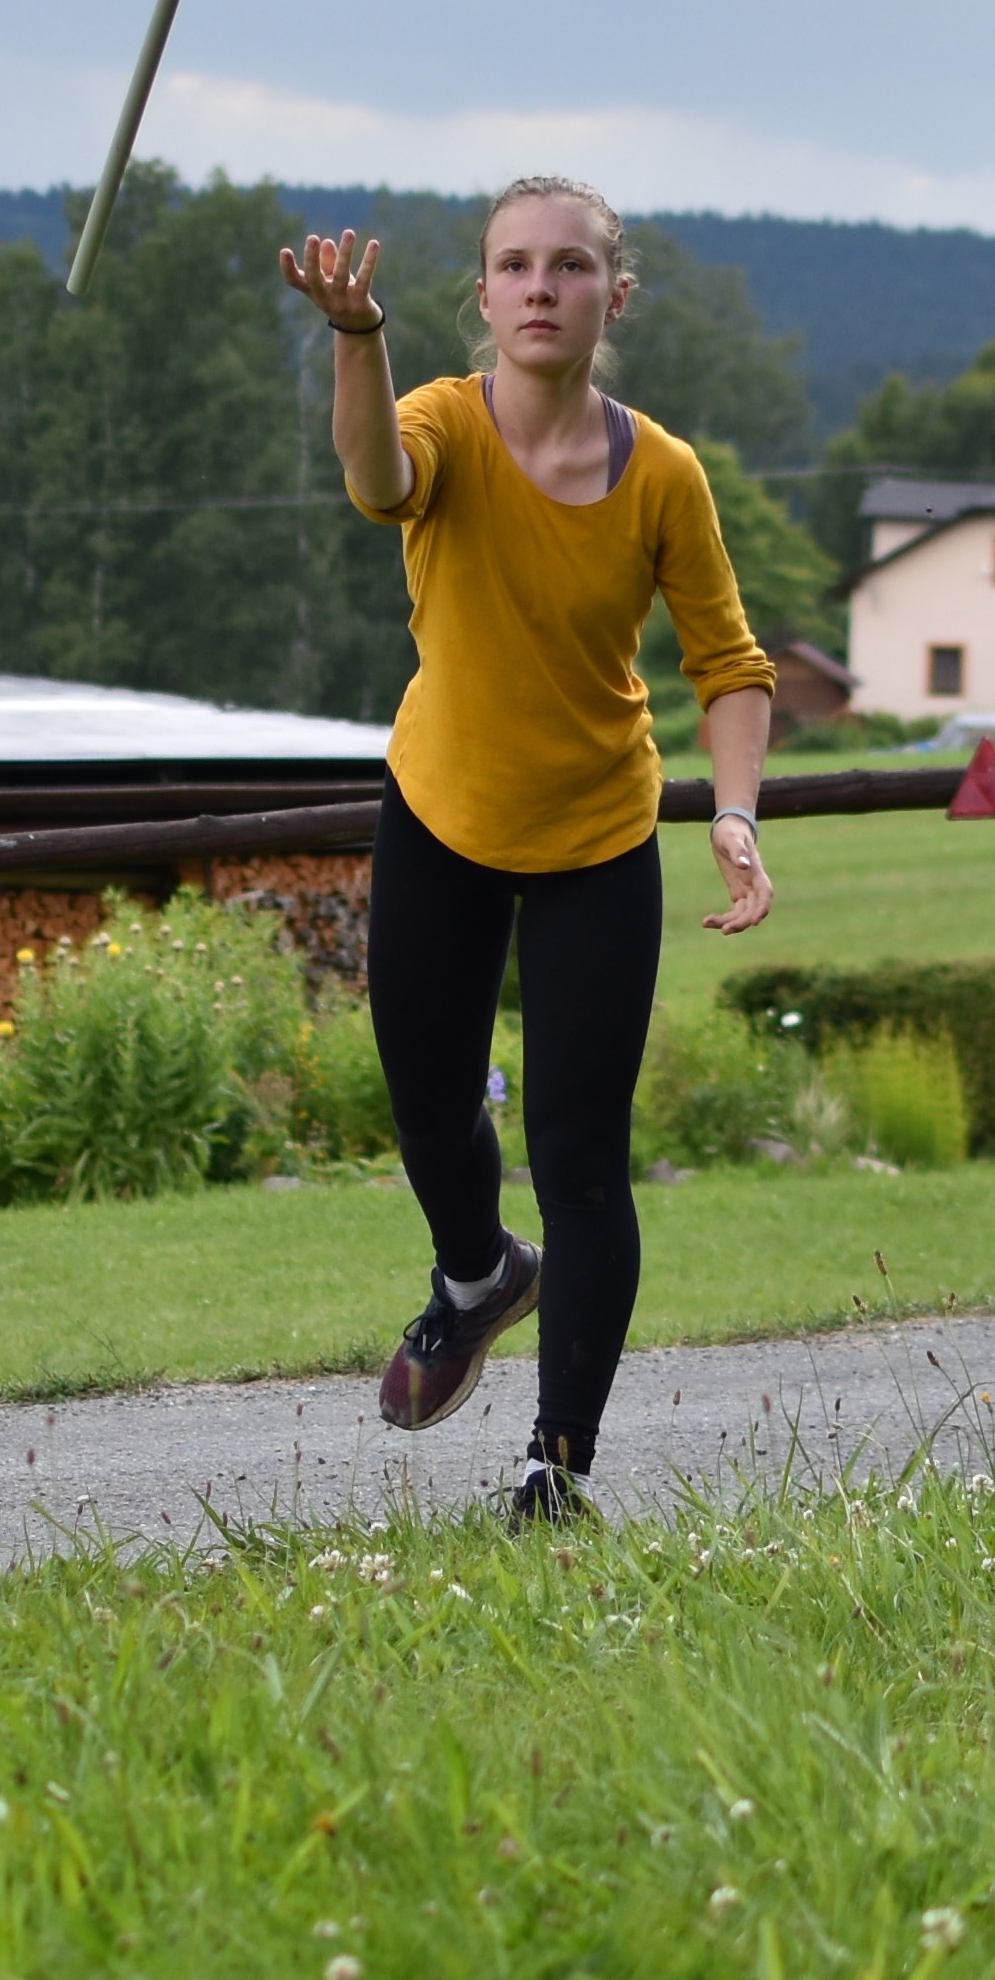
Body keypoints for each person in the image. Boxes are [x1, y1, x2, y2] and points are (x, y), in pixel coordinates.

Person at [279, 182, 778, 1520]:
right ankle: (477, 1277)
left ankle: (557, 1468)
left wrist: (734, 811)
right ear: (486, 295)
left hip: (598, 835)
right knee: (430, 1108)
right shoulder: (443, 421)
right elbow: (375, 480)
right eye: (514, 265)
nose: (541, 286)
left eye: (570, 266)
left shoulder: (663, 473)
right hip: (443, 811)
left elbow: (731, 666)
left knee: (580, 1156)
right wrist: (357, 336)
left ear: (615, 296)